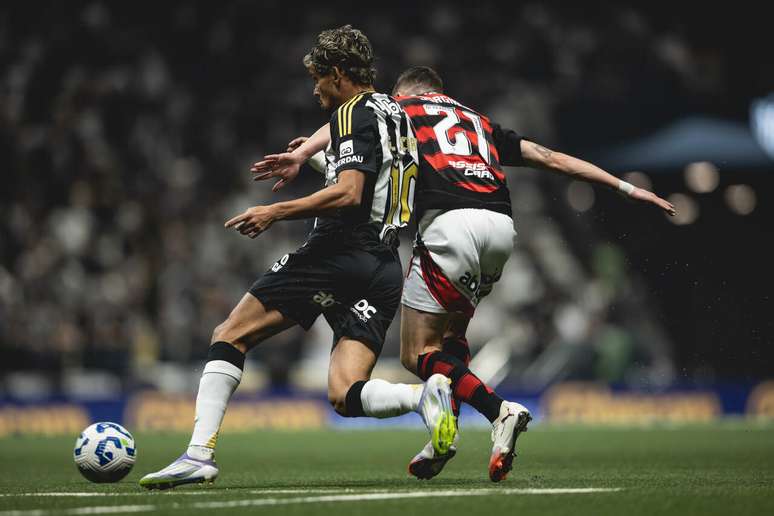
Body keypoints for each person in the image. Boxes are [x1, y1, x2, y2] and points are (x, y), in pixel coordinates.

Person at [253, 66, 675, 482]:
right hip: (500, 230)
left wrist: (305, 151)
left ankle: (499, 411)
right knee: (451, 337)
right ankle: (445, 437)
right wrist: (625, 187)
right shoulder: (478, 121)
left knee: (416, 354)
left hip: (449, 225)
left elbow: (357, 119)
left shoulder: (400, 109)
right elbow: (549, 158)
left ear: (405, 92)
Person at [139, 29, 455, 491]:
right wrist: (310, 157)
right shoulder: (396, 112)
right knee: (345, 393)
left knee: (230, 334)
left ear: (340, 75)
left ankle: (198, 454)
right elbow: (375, 175)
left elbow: (350, 193)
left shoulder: (352, 112)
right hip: (385, 264)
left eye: (319, 78)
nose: (315, 89)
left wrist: (275, 212)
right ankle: (424, 397)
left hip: (337, 252)